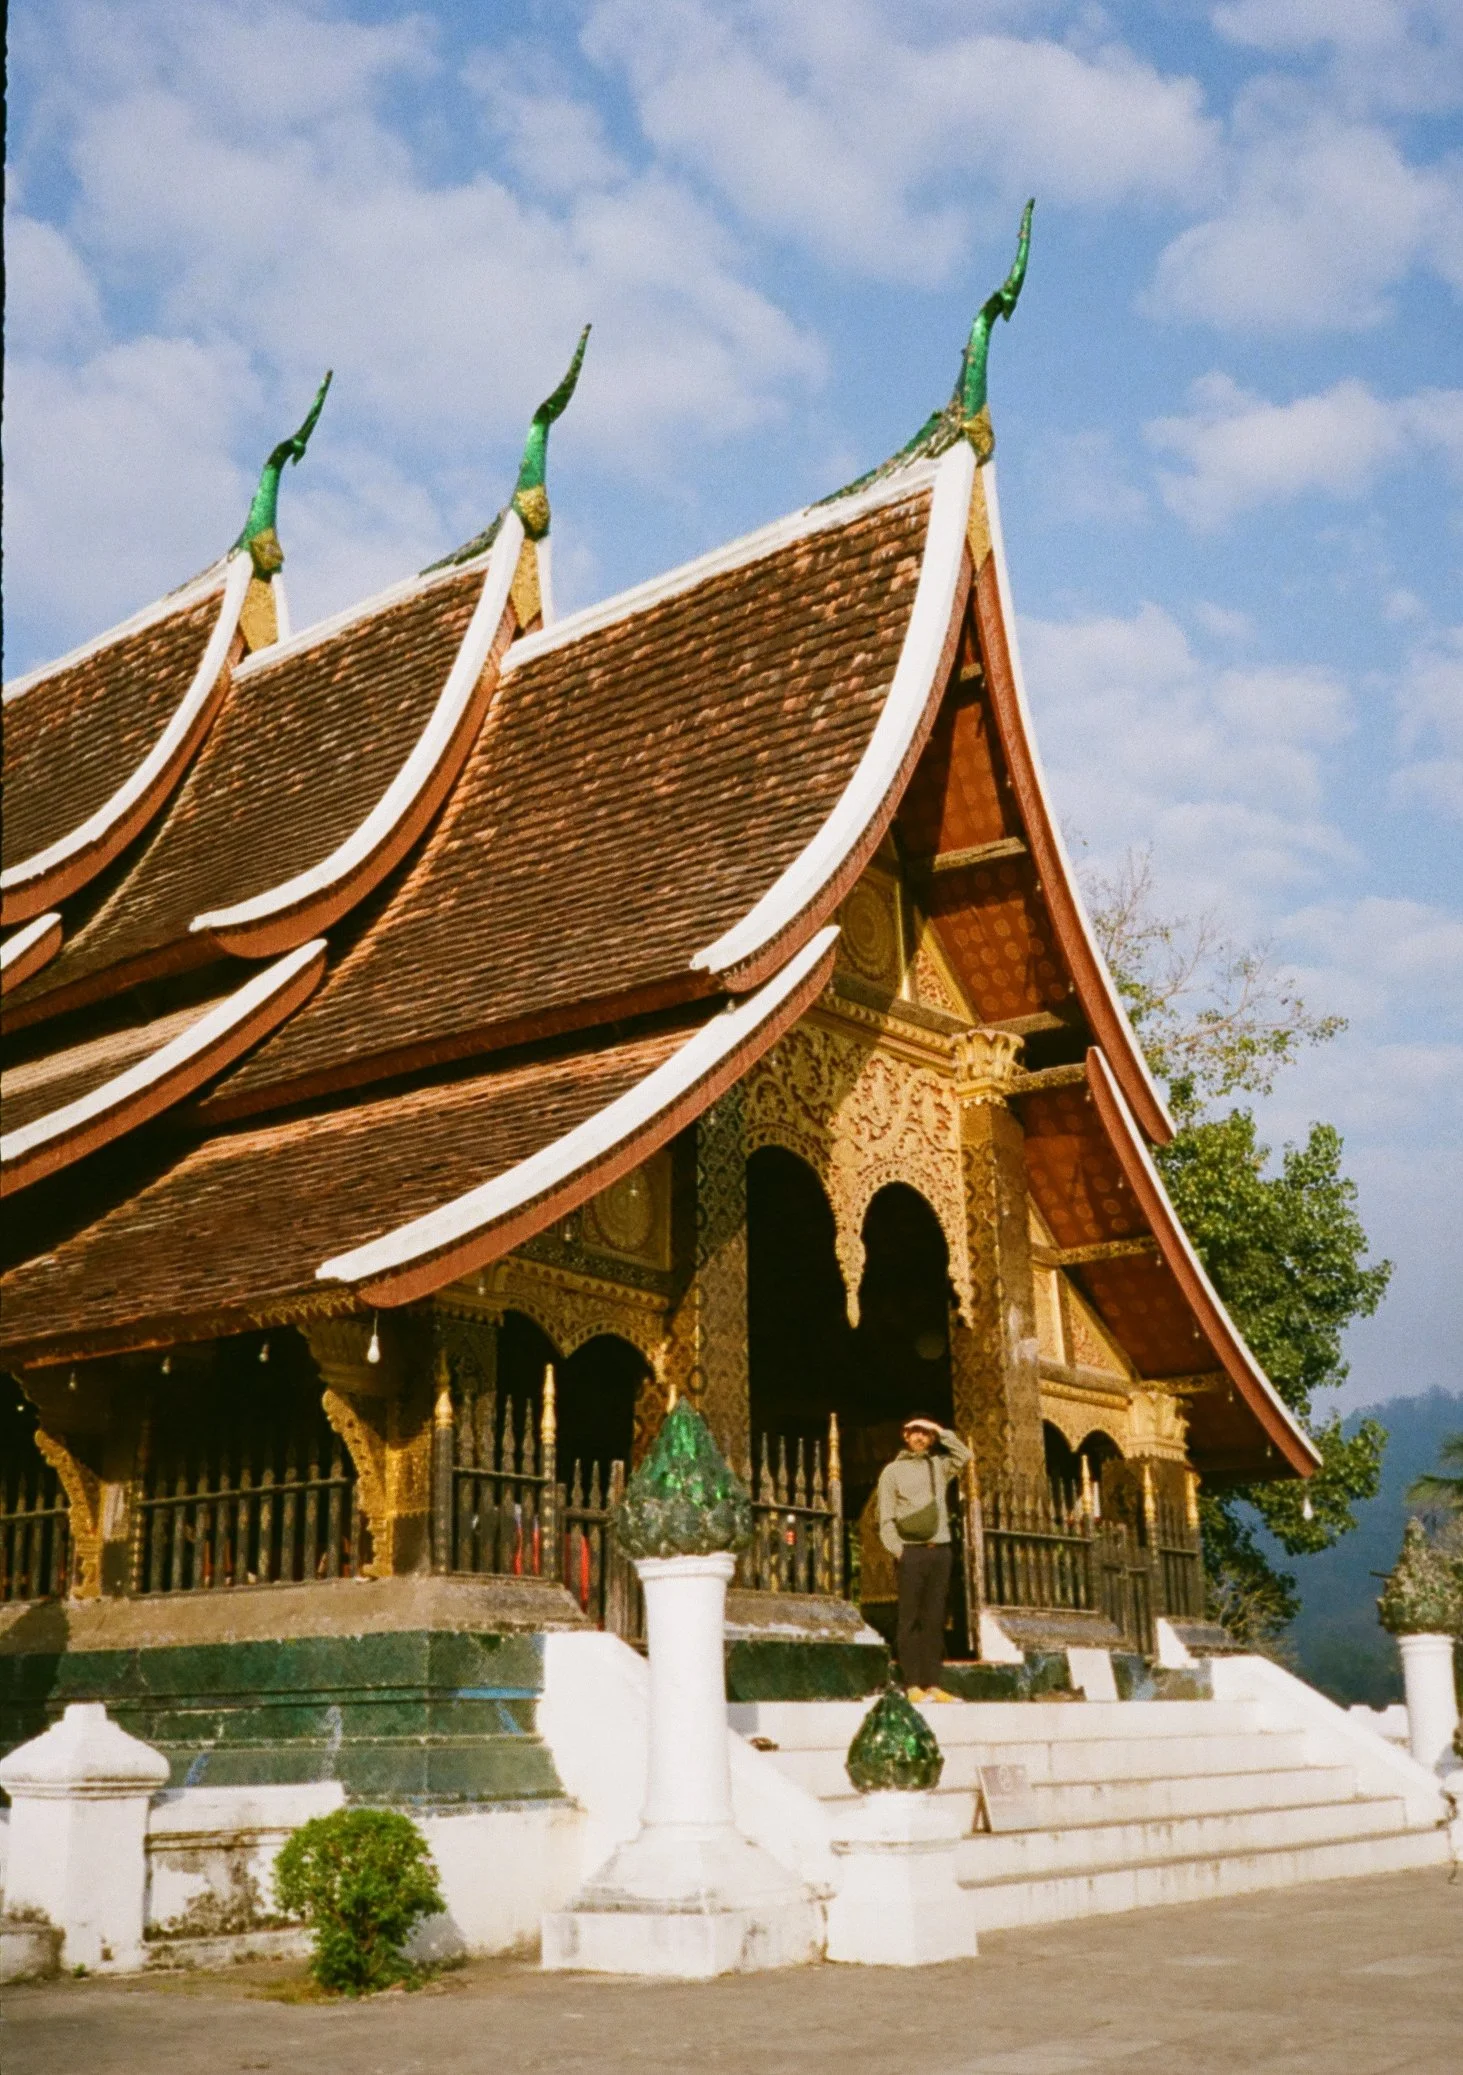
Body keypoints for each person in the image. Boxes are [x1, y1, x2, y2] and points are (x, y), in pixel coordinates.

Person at [877, 1416, 971, 1701]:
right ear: (905, 1436)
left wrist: (942, 1432)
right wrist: (900, 1551)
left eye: (925, 1433)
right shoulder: (892, 1472)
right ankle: (912, 1683)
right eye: (915, 1432)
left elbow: (964, 1455)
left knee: (934, 1619)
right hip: (912, 1552)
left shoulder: (938, 1466)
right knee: (910, 1618)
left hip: (940, 1550)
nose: (920, 1437)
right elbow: (885, 1519)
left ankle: (932, 1682)